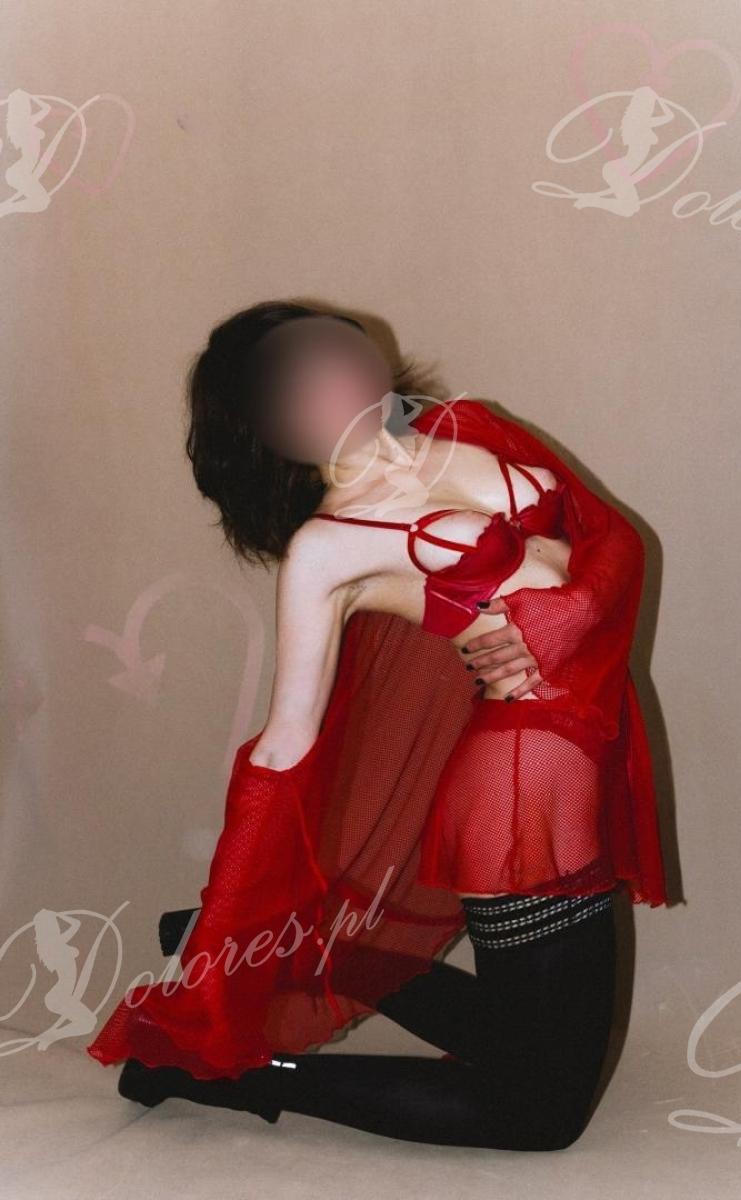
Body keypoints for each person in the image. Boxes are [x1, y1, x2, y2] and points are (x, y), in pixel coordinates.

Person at [86, 302, 668, 1150]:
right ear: (265, 430)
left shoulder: (464, 428)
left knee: (530, 1041)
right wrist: (229, 919)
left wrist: (567, 615)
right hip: (521, 784)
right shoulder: (326, 550)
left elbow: (614, 541)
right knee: (537, 1114)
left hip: (577, 748)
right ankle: (234, 1074)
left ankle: (311, 955)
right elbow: (285, 743)